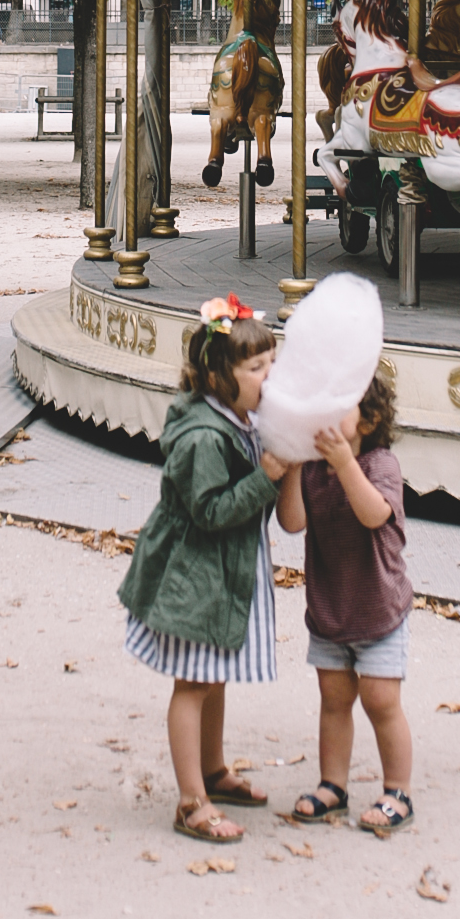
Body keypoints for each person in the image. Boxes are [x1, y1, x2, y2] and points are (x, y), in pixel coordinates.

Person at [118, 294, 291, 847]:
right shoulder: (201, 436)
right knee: (194, 681)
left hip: (226, 566)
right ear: (220, 375)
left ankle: (213, 770)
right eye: (256, 367)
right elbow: (212, 511)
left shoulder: (241, 416)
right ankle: (192, 800)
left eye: (272, 363)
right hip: (195, 572)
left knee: (215, 673)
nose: (270, 376)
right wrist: (266, 475)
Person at [276, 363, 415, 836]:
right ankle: (332, 785)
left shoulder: (380, 466)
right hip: (330, 609)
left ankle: (398, 789)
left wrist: (343, 464)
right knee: (334, 699)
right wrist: (295, 464)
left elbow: (375, 514)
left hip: (379, 610)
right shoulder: (313, 469)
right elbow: (292, 522)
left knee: (381, 701)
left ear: (371, 420)